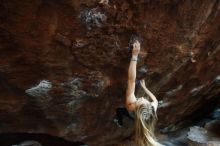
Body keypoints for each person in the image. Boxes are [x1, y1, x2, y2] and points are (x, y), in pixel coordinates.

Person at [126, 40, 164, 146]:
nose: (142, 98)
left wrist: (134, 55)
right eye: (145, 101)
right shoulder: (151, 108)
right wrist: (145, 87)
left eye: (138, 100)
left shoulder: (130, 105)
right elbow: (155, 100)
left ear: (135, 106)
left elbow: (131, 80)